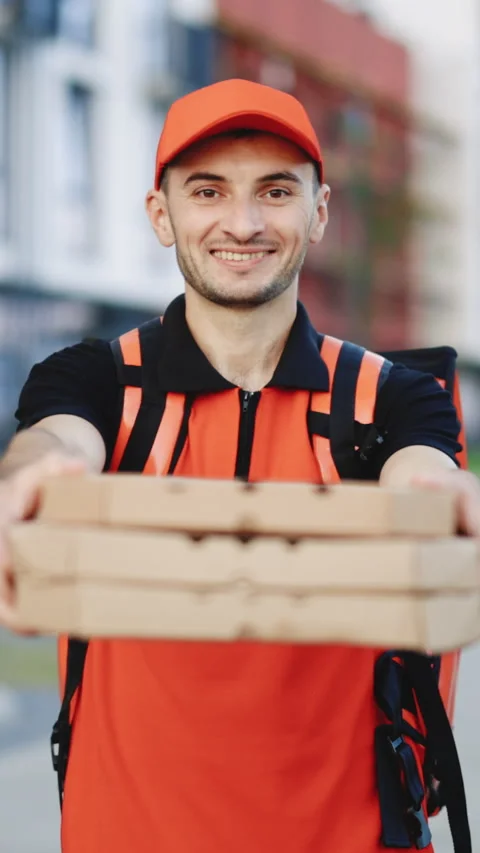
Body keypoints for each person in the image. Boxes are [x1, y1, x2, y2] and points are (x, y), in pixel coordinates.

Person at [0, 78, 479, 853]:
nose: (245, 222)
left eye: (276, 191)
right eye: (209, 190)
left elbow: (423, 469)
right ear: (162, 214)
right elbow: (56, 440)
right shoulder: (97, 379)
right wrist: (28, 474)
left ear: (319, 212)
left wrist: (442, 495)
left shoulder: (393, 395)